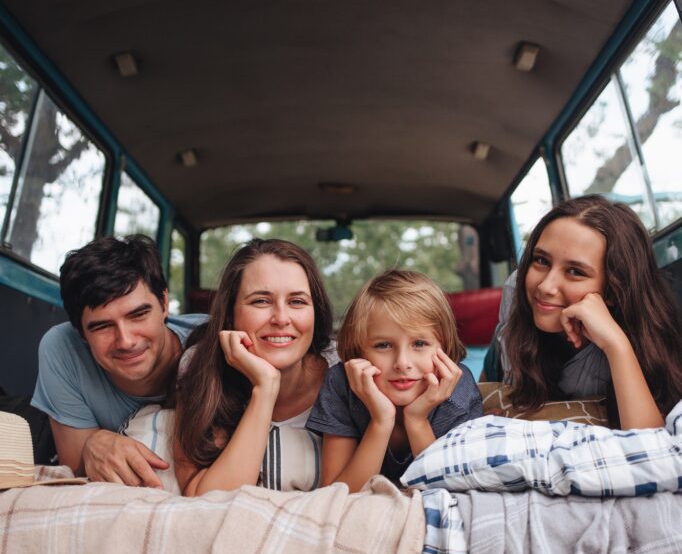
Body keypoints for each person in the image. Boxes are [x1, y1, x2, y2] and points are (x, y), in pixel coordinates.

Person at [32, 235, 206, 486]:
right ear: (80, 332)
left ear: (164, 303)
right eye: (102, 326)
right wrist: (92, 444)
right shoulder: (62, 348)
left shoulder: (213, 343)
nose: (125, 341)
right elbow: (74, 471)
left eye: (138, 315)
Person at [497, 195, 682, 428]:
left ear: (614, 290)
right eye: (541, 260)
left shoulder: (647, 340)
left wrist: (616, 345)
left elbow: (648, 448)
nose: (545, 286)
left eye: (575, 271)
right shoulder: (517, 289)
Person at [173, 238, 334, 496]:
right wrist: (265, 388)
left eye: (297, 302)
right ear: (230, 314)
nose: (281, 318)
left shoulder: (342, 374)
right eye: (261, 301)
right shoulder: (199, 366)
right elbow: (203, 498)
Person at [307, 269, 483, 492]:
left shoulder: (457, 387)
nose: (402, 363)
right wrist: (381, 421)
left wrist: (417, 419)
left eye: (419, 343)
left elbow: (453, 494)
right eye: (383, 345)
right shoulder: (343, 384)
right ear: (358, 353)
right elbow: (336, 494)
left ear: (444, 348)